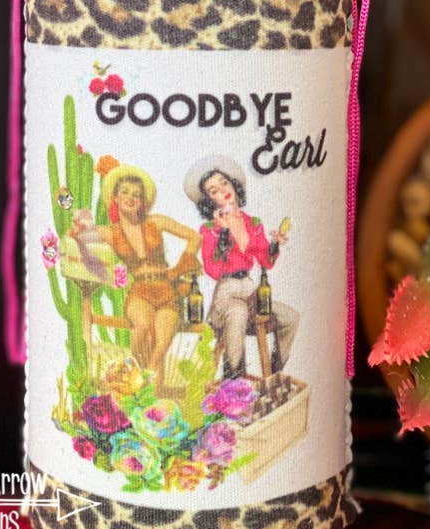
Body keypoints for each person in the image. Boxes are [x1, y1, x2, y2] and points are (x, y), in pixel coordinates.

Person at [184, 155, 298, 379]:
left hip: (248, 288)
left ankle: (276, 370)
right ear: (209, 201)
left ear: (233, 184)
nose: (222, 190)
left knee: (289, 317)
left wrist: (275, 243)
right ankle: (233, 380)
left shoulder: (252, 223)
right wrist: (224, 232)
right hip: (226, 293)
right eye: (213, 190)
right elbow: (213, 270)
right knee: (238, 312)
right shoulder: (209, 230)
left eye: (224, 183)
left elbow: (266, 261)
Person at [92, 163, 201, 381]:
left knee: (161, 344)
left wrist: (179, 268)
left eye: (137, 195)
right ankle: (129, 376)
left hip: (168, 292)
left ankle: (146, 385)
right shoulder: (109, 232)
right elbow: (77, 236)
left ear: (143, 201)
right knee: (141, 326)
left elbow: (195, 237)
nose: (131, 198)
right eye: (125, 192)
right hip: (140, 293)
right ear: (115, 198)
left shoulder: (156, 221)